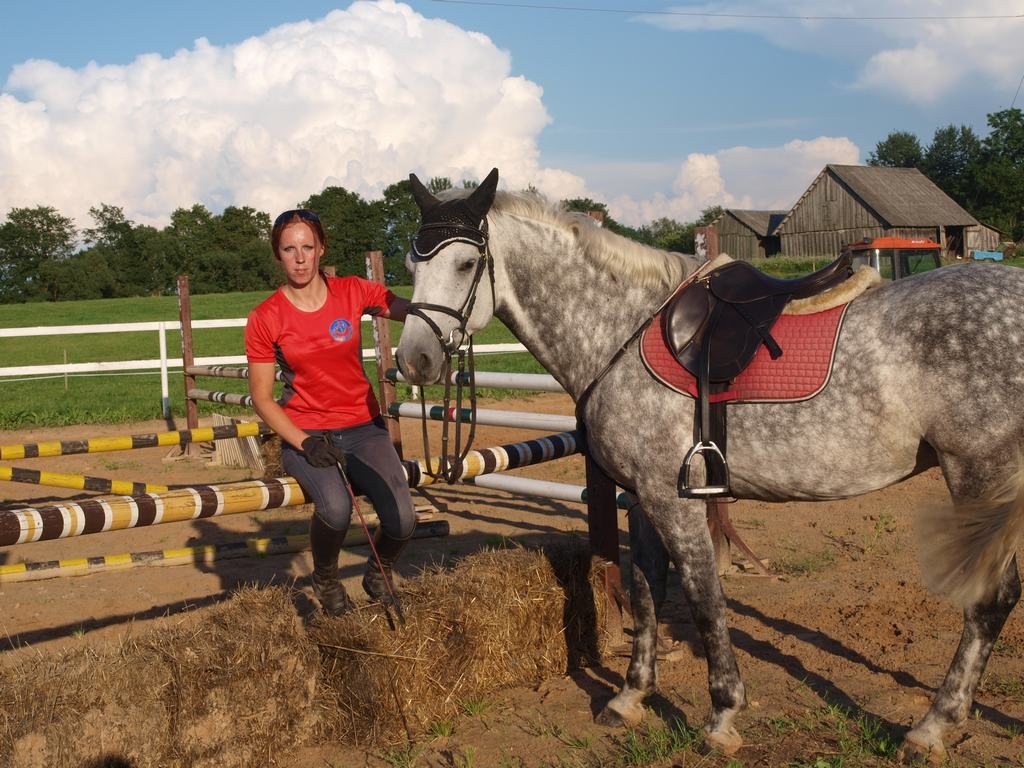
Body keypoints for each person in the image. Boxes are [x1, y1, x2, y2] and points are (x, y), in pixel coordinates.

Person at [245, 209, 414, 617]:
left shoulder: (352, 291)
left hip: (363, 428)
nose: (300, 258)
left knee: (404, 520)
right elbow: (263, 398)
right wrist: (304, 442)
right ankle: (326, 578)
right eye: (289, 249)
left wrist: (447, 308)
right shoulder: (265, 317)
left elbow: (405, 307)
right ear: (278, 255)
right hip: (307, 434)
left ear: (321, 248)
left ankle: (379, 572)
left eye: (307, 247)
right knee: (336, 509)